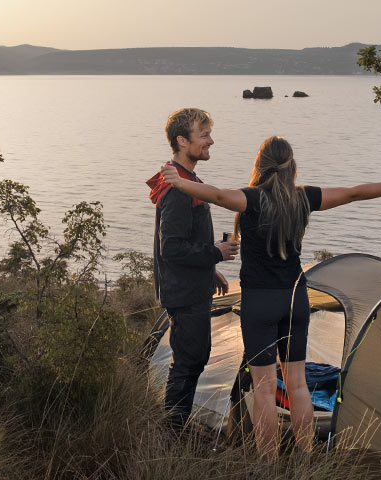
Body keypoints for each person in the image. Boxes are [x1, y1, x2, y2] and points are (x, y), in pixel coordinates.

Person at [160, 136, 381, 459]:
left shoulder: (251, 199)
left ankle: (268, 464)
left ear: (260, 164)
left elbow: (216, 195)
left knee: (264, 389)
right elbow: (355, 193)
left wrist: (180, 182)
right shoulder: (304, 198)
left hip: (260, 303)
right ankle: (306, 458)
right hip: (295, 300)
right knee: (298, 385)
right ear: (292, 166)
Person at [146, 108, 239, 429]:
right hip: (184, 293)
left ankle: (176, 427)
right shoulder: (178, 187)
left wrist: (210, 268)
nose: (211, 141)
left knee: (194, 359)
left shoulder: (184, 179)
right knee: (187, 363)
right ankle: (173, 432)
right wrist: (215, 252)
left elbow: (183, 240)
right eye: (204, 135)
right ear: (182, 141)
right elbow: (171, 247)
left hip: (190, 286)